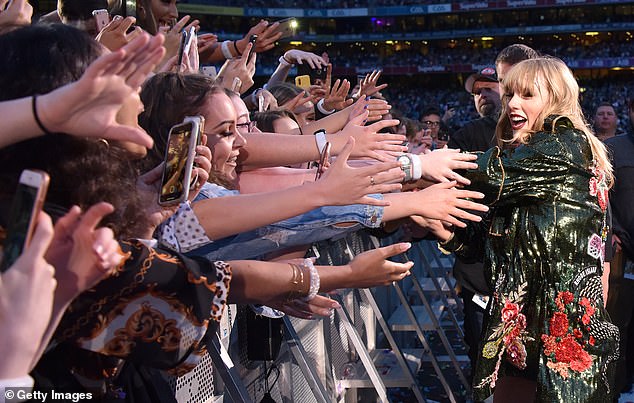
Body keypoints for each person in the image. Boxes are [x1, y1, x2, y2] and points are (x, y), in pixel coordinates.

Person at [435, 57, 619, 402]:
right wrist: (434, 222)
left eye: (527, 95)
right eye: (510, 95)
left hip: (559, 331)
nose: (513, 105)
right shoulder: (531, 164)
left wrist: (415, 164)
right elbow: (482, 243)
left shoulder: (564, 144)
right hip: (526, 327)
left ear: (556, 99)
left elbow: (489, 172)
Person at [446, 65, 501, 377]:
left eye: (488, 89)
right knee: (481, 348)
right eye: (477, 92)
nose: (482, 96)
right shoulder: (464, 137)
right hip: (477, 265)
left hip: (523, 259)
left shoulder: (534, 133)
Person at [604, 98, 634, 396]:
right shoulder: (614, 148)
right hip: (623, 252)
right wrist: (611, 229)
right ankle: (616, 387)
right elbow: (602, 193)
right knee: (618, 325)